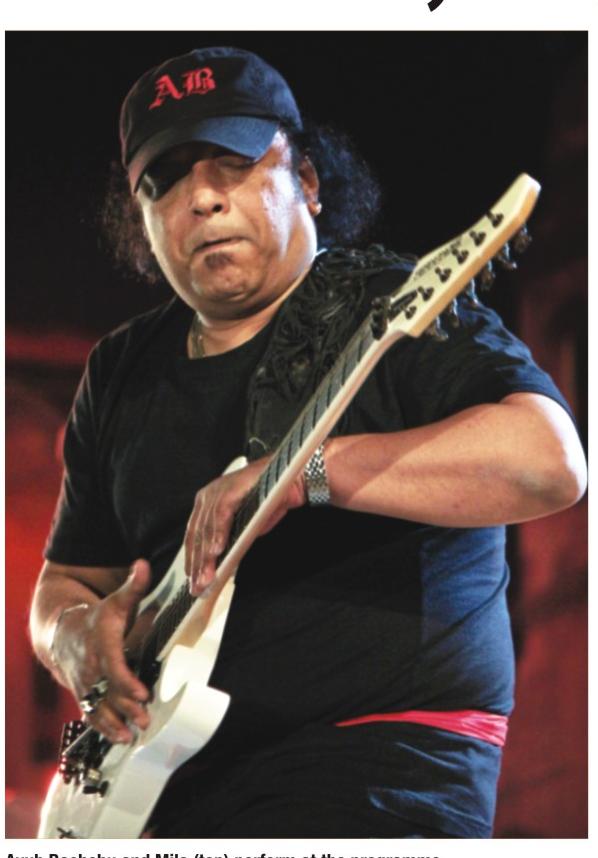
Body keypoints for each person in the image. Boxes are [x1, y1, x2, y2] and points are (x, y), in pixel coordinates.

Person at [30, 46, 587, 838]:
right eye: (167, 180)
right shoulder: (119, 371)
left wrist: (312, 471)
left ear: (309, 182)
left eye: (233, 163)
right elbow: (66, 582)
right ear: (141, 218)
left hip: (379, 771)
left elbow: (550, 462)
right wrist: (72, 640)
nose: (203, 199)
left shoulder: (393, 305)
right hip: (159, 795)